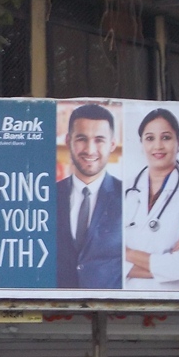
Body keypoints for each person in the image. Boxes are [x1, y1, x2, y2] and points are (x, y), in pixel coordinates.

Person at [123, 108, 179, 290]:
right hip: (126, 299)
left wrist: (127, 253)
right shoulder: (123, 189)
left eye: (166, 137)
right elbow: (105, 259)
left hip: (174, 299)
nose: (158, 146)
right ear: (141, 143)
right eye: (150, 138)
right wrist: (166, 263)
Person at [57, 103, 123, 289]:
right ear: (68, 140)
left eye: (99, 140)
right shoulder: (47, 196)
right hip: (54, 304)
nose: (90, 149)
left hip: (111, 305)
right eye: (81, 139)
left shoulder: (129, 197)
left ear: (112, 144)